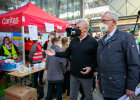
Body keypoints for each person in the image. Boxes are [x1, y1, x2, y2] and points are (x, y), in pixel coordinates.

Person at [46, 19, 98, 100]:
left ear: (85, 28)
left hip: (86, 76)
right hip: (73, 74)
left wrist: (92, 68)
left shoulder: (93, 42)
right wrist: (55, 53)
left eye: (78, 27)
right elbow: (67, 54)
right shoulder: (74, 40)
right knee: (73, 95)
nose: (75, 29)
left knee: (88, 96)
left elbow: (97, 58)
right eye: (75, 27)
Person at [97, 11, 140, 100]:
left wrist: (131, 86)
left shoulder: (126, 37)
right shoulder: (101, 41)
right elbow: (101, 62)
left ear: (114, 22)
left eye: (104, 21)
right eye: (101, 21)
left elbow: (134, 64)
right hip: (105, 87)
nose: (101, 24)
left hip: (119, 88)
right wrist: (99, 78)